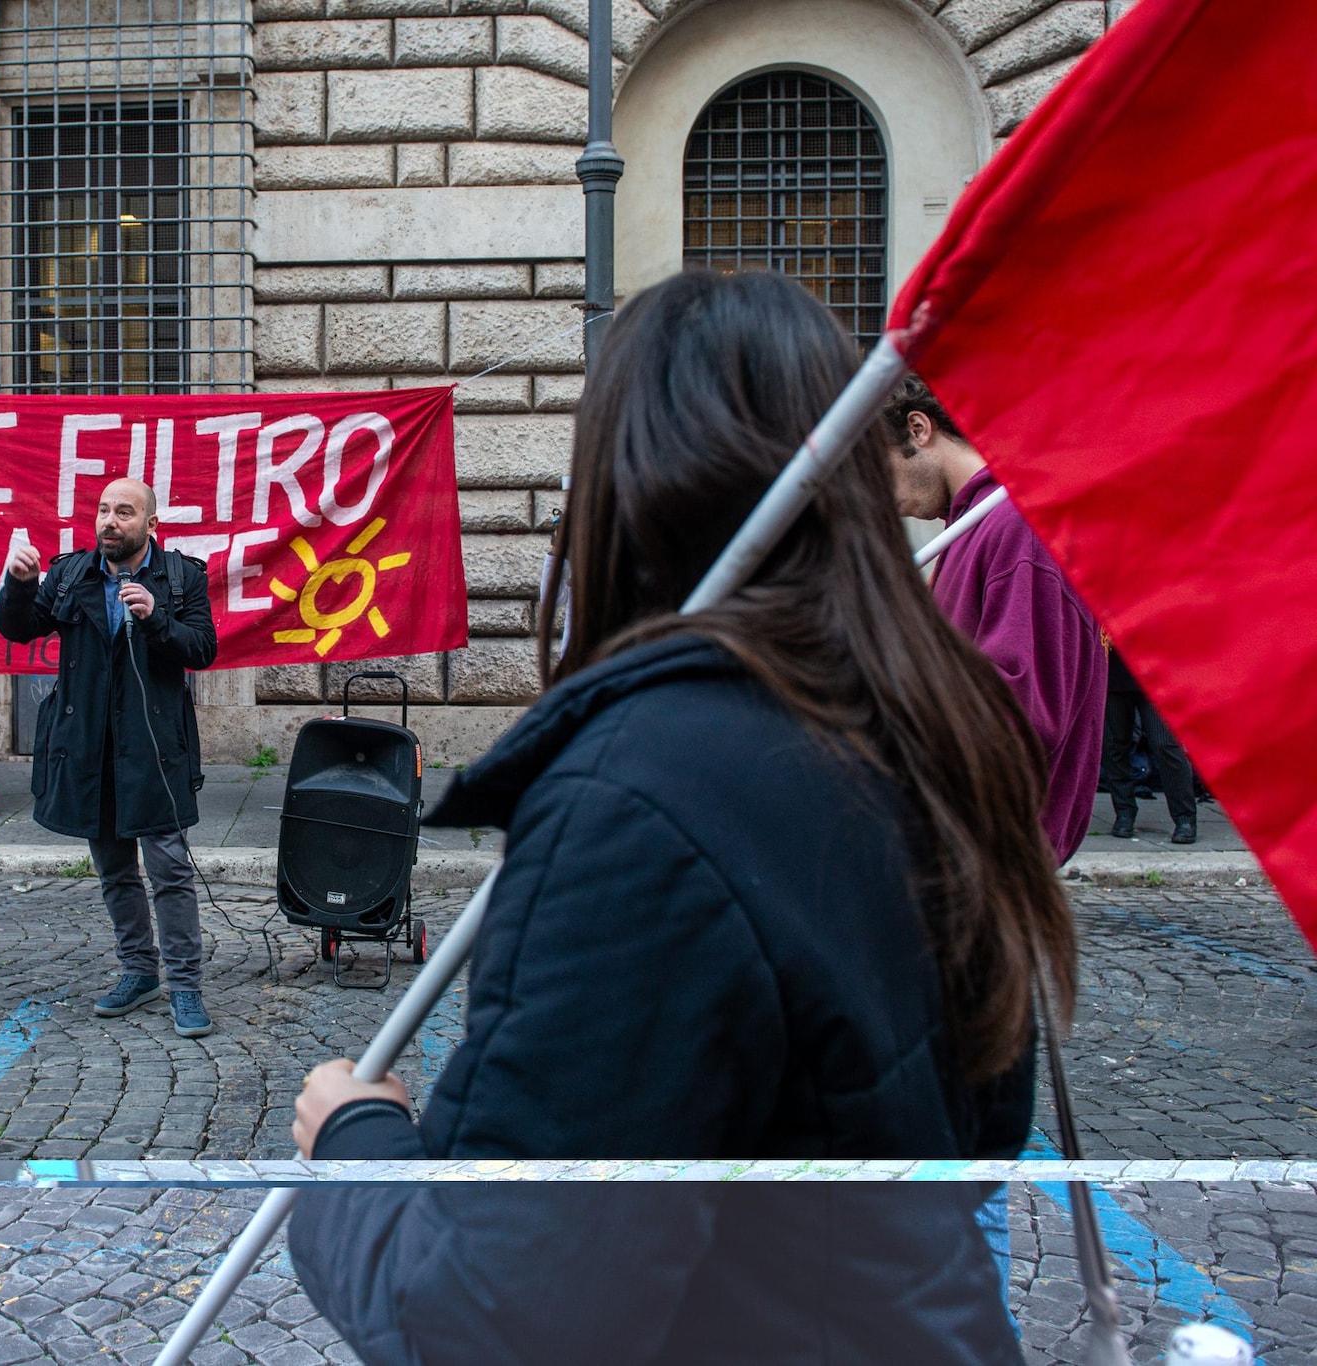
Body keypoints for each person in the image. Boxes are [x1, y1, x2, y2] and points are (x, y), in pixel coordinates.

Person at [285, 271, 1073, 1362]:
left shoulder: (635, 799)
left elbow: (493, 1317)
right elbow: (981, 1128)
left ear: (625, 481)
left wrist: (353, 1141)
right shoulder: (929, 724)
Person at [0, 477, 219, 1038]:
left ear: (150, 525)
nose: (109, 520)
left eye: (124, 512)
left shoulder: (182, 577)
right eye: (103, 510)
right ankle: (139, 972)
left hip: (154, 748)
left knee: (168, 869)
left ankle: (185, 987)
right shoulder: (70, 573)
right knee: (115, 869)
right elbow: (17, 629)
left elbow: (204, 649)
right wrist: (19, 586)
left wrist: (156, 618)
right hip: (90, 748)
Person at [884, 376, 1108, 864]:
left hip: (990, 851)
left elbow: (1020, 713)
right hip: (960, 840)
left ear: (918, 429)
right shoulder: (972, 530)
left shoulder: (1019, 527)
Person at [1105, 645, 1198, 843]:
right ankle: (1124, 813)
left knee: (1165, 744)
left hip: (1155, 668)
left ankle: (1185, 818)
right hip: (1112, 668)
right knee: (1115, 745)